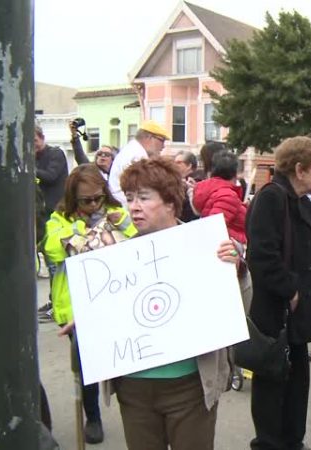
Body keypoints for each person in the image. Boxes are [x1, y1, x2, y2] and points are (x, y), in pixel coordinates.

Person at [77, 158, 235, 450]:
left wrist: (235, 269)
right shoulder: (116, 258)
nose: (133, 206)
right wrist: (87, 317)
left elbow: (241, 309)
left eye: (144, 198)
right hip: (134, 389)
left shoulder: (208, 247)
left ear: (171, 204)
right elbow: (109, 314)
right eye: (130, 198)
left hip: (190, 386)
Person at [44, 163, 137, 444]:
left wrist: (123, 224)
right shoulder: (59, 219)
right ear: (74, 197)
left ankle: (135, 412)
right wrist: (74, 232)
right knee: (86, 366)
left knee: (123, 359)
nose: (94, 204)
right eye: (86, 200)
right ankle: (93, 416)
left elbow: (140, 243)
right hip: (76, 308)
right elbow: (51, 247)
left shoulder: (116, 214)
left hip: (116, 302)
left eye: (98, 197)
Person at [246, 136, 311, 450]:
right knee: (272, 389)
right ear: (299, 169)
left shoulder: (302, 202)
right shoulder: (272, 198)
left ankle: (293, 442)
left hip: (296, 317)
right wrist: (290, 290)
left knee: (296, 387)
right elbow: (262, 255)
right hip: (277, 315)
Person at [35, 124, 69, 319]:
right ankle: (53, 300)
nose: (33, 147)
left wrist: (29, 168)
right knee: (48, 261)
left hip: (55, 212)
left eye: (35, 141)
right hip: (41, 215)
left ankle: (57, 304)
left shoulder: (56, 154)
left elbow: (50, 176)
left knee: (56, 262)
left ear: (42, 137)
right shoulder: (34, 159)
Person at [108, 120, 169, 206]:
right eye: (161, 140)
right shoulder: (137, 155)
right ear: (149, 137)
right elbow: (142, 187)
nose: (163, 146)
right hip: (127, 206)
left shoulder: (132, 150)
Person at [193, 150, 247, 244]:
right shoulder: (227, 195)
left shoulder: (212, 190)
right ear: (235, 171)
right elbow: (214, 228)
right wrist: (245, 239)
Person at [175, 150, 201, 222]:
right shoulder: (177, 181)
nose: (175, 165)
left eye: (179, 163)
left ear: (189, 165)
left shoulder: (197, 181)